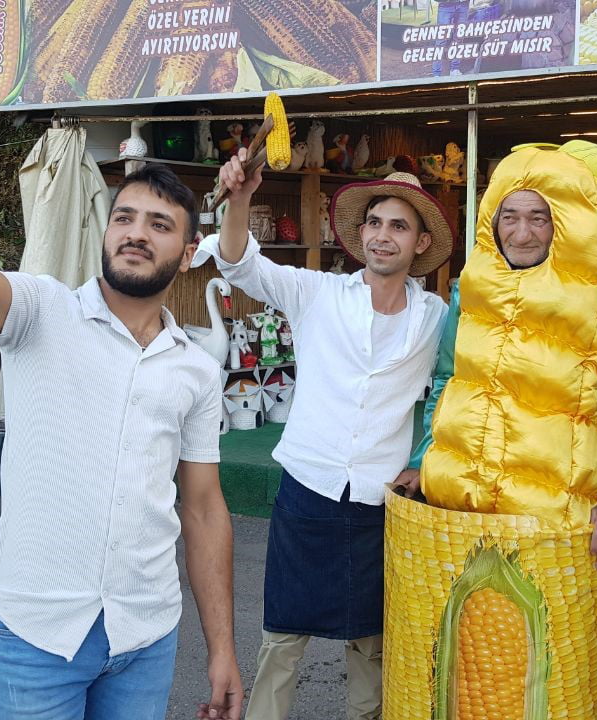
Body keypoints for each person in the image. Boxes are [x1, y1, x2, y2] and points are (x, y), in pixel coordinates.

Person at [0, 45, 241, 720]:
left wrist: (223, 647)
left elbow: (203, 509)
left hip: (145, 638)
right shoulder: (39, 311)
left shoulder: (196, 368)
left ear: (189, 252)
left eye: (160, 224)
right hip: (37, 639)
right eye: (124, 217)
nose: (136, 234)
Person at [405, 144, 597, 717]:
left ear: (564, 223)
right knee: (463, 681)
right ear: (491, 220)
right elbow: (450, 378)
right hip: (464, 515)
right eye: (510, 215)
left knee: (554, 682)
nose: (522, 233)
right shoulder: (469, 288)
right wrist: (425, 457)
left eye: (539, 216)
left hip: (557, 525)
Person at [205, 152, 451, 720]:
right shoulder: (318, 294)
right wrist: (239, 199)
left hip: (381, 501)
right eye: (374, 223)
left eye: (398, 226)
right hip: (308, 490)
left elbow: (456, 390)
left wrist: (426, 455)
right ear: (360, 234)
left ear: (418, 243)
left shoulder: (435, 317)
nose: (383, 236)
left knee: (372, 642)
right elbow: (241, 264)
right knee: (283, 637)